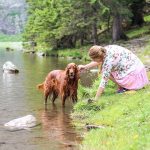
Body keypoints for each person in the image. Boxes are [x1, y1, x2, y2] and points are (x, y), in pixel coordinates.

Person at [78, 45, 149, 100]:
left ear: (99, 57)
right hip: (138, 67)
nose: (94, 61)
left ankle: (125, 87)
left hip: (134, 74)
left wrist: (96, 98)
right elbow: (98, 61)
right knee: (107, 71)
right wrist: (85, 66)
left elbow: (103, 82)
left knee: (104, 72)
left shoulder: (108, 62)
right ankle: (124, 86)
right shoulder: (105, 49)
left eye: (94, 59)